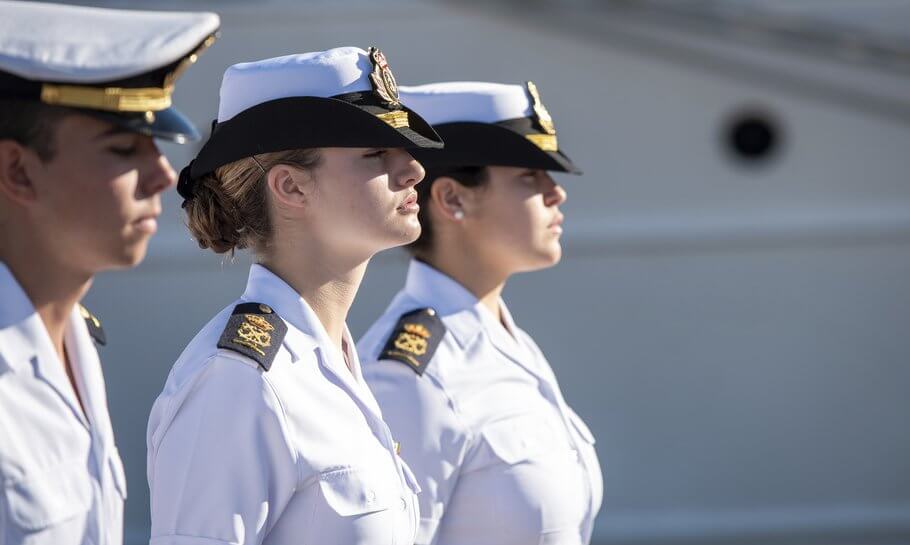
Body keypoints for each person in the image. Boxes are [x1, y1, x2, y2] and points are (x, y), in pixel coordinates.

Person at [146, 47, 444, 545]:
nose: (413, 169)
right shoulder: (238, 382)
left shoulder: (331, 363)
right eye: (375, 153)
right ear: (291, 187)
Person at [0, 2, 218, 544]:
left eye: (157, 147)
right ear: (17, 170)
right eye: (123, 149)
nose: (164, 176)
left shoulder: (68, 339)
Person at [357, 81, 604, 545]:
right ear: (452, 199)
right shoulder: (413, 377)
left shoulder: (508, 342)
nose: (557, 194)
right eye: (529, 177)